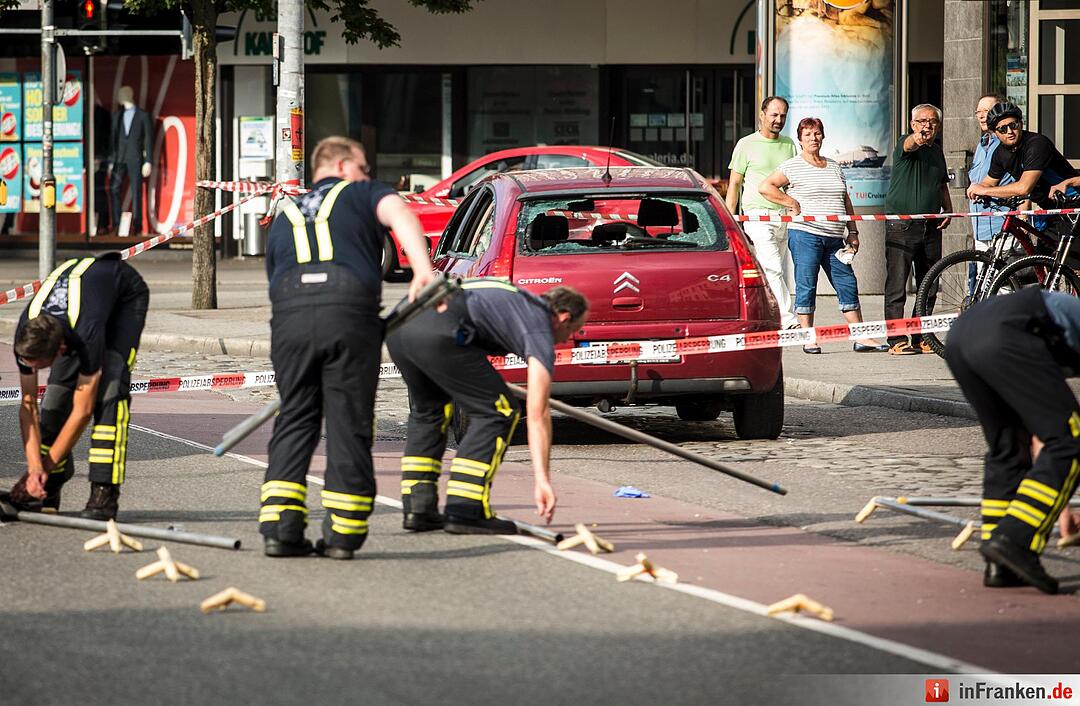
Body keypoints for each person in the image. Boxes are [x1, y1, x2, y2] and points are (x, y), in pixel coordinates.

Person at [260, 136, 434, 560]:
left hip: (290, 316)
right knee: (347, 418)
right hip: (348, 309)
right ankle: (343, 533)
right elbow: (399, 212)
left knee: (296, 416)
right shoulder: (359, 192)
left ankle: (281, 529)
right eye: (363, 167)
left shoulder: (283, 215)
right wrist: (423, 270)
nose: (367, 175)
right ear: (342, 166)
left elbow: (274, 278)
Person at [386, 281, 588, 534]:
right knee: (498, 410)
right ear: (563, 317)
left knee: (430, 411)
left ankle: (419, 507)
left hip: (400, 327)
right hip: (439, 329)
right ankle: (465, 509)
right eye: (574, 330)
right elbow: (538, 413)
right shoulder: (539, 325)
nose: (567, 339)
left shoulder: (516, 299)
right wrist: (543, 480)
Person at [945, 287, 1080, 594]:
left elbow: (1041, 437)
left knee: (1008, 446)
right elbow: (1062, 439)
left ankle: (1001, 563)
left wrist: (1057, 505)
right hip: (1008, 334)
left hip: (962, 336)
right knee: (1071, 436)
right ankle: (1016, 540)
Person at [8, 254, 149, 520]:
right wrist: (34, 468)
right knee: (54, 401)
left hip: (124, 297)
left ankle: (104, 493)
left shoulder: (86, 334)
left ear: (61, 350)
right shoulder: (26, 335)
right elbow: (28, 406)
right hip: (82, 305)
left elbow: (83, 411)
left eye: (40, 366)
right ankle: (48, 487)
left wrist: (43, 467)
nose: (33, 371)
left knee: (110, 393)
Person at [759, 117, 887, 354]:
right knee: (807, 285)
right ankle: (809, 337)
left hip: (834, 238)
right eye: (807, 135)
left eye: (817, 133)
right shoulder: (792, 166)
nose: (813, 138)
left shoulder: (834, 165)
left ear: (823, 137)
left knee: (847, 282)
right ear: (800, 140)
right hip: (805, 236)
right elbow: (765, 187)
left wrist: (854, 231)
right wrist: (790, 202)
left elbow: (845, 199)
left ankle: (860, 337)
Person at [883, 103, 953, 356]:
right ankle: (896, 339)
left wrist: (948, 209)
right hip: (902, 225)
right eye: (922, 121)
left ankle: (922, 334)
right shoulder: (906, 143)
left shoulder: (937, 152)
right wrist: (917, 137)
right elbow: (910, 144)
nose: (928, 126)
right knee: (897, 286)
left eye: (932, 122)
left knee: (929, 283)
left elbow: (942, 185)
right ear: (913, 124)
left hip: (931, 225)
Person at [726, 96, 798, 329]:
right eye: (774, 115)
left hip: (783, 216)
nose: (779, 120)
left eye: (783, 116)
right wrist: (730, 220)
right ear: (762, 115)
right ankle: (788, 320)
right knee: (773, 267)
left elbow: (792, 181)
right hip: (757, 215)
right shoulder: (745, 144)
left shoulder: (789, 144)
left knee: (774, 271)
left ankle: (766, 315)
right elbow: (735, 184)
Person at [966, 102, 1079, 212]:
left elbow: (1024, 188)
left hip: (1074, 202)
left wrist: (984, 191)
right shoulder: (1000, 153)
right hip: (1049, 208)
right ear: (995, 132)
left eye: (1013, 125)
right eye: (1002, 129)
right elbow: (989, 183)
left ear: (1021, 123)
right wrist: (976, 189)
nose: (1010, 132)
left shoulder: (1037, 144)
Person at [110, 86, 154, 235]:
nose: (118, 96)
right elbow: (113, 139)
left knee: (136, 191)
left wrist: (148, 160)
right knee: (114, 187)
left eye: (121, 93)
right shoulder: (117, 116)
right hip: (119, 158)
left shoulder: (143, 116)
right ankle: (116, 223)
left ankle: (137, 225)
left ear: (128, 95)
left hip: (135, 158)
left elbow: (148, 139)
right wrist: (111, 160)